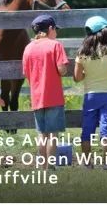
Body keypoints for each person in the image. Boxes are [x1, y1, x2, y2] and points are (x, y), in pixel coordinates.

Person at [73, 16, 107, 170]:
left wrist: (87, 73)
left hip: (90, 95)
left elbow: (77, 78)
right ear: (104, 32)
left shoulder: (82, 52)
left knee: (87, 129)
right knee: (106, 129)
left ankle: (87, 163)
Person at [22, 14, 69, 171]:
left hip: (37, 98)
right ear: (50, 29)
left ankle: (41, 166)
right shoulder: (56, 45)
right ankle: (50, 166)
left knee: (42, 134)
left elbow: (27, 73)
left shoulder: (28, 48)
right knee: (53, 134)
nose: (56, 33)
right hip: (54, 97)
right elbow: (62, 70)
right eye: (55, 29)